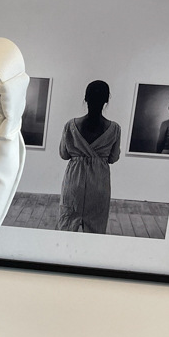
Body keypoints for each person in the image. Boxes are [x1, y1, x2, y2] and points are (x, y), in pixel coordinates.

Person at [57, 80, 121, 233]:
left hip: (74, 181)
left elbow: (64, 154)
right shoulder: (114, 129)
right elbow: (113, 158)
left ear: (85, 98)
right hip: (99, 183)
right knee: (96, 230)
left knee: (67, 226)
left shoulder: (70, 126)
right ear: (106, 100)